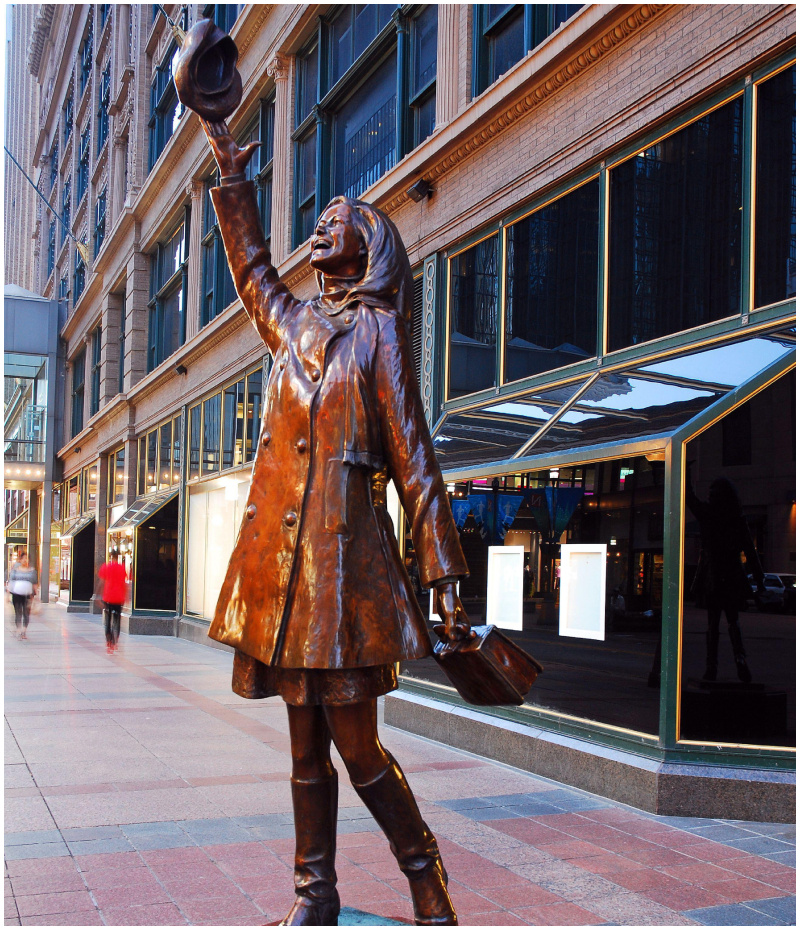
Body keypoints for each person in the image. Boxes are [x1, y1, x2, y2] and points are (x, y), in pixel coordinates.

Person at [201, 118, 472, 926]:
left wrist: (445, 574)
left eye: (338, 221)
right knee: (301, 748)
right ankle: (314, 897)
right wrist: (231, 178)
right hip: (285, 583)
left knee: (358, 749)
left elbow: (414, 456)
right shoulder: (292, 325)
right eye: (320, 222)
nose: (321, 225)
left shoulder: (378, 333)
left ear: (369, 247)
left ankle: (424, 872)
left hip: (346, 583)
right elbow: (251, 266)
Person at [686, 471, 763, 683]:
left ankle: (713, 667)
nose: (710, 496)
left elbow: (690, 500)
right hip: (729, 574)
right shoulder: (736, 517)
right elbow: (750, 549)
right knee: (731, 622)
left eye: (713, 493)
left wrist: (685, 475)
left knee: (715, 625)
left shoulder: (709, 514)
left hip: (715, 574)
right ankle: (739, 662)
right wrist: (759, 577)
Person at [98, 551, 127, 653]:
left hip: (108, 597)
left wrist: (98, 596)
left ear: (110, 557)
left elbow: (101, 582)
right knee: (117, 620)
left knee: (108, 620)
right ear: (117, 556)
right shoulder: (122, 568)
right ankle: (115, 642)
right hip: (119, 597)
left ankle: (109, 642)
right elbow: (124, 583)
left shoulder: (105, 567)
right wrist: (126, 596)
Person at [7, 554, 37, 639]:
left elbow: (35, 583)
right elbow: (11, 582)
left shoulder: (32, 571)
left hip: (28, 595)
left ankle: (24, 631)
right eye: (23, 558)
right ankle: (18, 629)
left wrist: (36, 596)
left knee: (26, 613)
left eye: (26, 558)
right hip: (16, 594)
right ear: (20, 560)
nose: (25, 560)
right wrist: (7, 594)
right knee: (18, 612)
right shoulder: (15, 571)